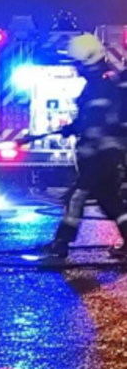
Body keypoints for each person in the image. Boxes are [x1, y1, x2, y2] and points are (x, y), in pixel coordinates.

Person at [44, 33, 127, 259]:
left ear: (89, 61)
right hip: (104, 152)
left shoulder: (103, 86)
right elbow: (88, 119)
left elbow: (102, 123)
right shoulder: (99, 84)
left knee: (77, 195)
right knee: (109, 199)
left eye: (78, 64)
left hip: (102, 153)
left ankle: (61, 243)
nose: (76, 68)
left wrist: (86, 135)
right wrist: (72, 127)